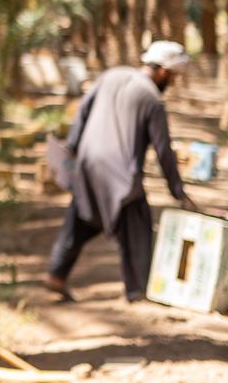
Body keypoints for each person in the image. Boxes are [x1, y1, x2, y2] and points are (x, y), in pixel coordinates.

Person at [43, 40, 194, 303]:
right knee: (138, 226)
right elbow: (163, 150)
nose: (172, 83)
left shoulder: (110, 76)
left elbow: (82, 112)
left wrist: (73, 149)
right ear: (162, 71)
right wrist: (178, 190)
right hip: (121, 177)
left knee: (80, 220)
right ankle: (137, 291)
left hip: (88, 165)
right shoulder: (152, 100)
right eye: (172, 77)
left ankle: (57, 274)